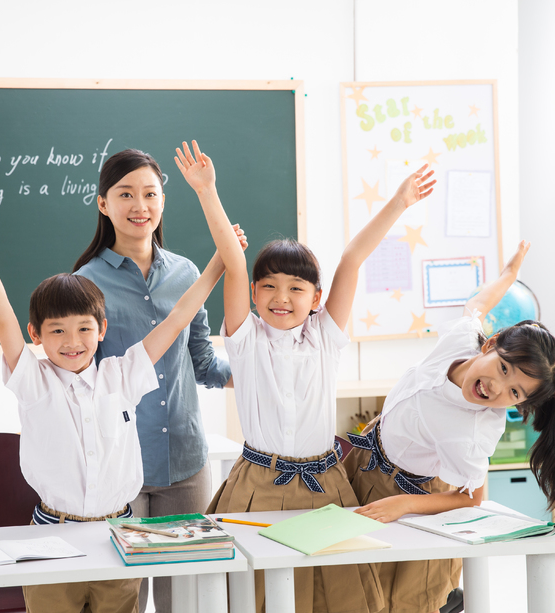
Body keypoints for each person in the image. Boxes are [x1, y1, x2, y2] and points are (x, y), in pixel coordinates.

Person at [176, 140, 434, 613]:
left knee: (336, 597)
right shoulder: (246, 337)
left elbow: (352, 259)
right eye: (269, 286)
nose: (282, 297)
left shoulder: (325, 337)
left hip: (326, 483)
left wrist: (398, 202)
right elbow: (232, 260)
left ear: (316, 297)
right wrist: (206, 191)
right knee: (255, 596)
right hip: (258, 482)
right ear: (253, 293)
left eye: (296, 288)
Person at [0, 191, 237, 613]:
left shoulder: (120, 376)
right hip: (52, 538)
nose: (72, 343)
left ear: (102, 329)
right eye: (58, 331)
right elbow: (0, 316)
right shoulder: (33, 380)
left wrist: (219, 263)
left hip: (117, 536)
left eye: (84, 329)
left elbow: (177, 318)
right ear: (36, 335)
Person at [344, 240, 555, 613]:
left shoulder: (475, 432)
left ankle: (448, 600)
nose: (496, 388)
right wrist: (508, 276)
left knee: (399, 593)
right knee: (349, 574)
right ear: (491, 345)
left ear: (520, 404)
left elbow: (472, 499)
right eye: (503, 369)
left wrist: (402, 504)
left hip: (411, 490)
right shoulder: (461, 339)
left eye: (514, 391)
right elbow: (477, 306)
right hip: (367, 456)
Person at [72, 148, 243, 611]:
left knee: (185, 599)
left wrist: (259, 378)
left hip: (186, 464)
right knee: (123, 598)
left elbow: (203, 362)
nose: (139, 205)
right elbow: (82, 378)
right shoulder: (86, 284)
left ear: (163, 202)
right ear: (104, 204)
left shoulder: (186, 273)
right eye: (125, 194)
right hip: (120, 467)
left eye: (150, 193)